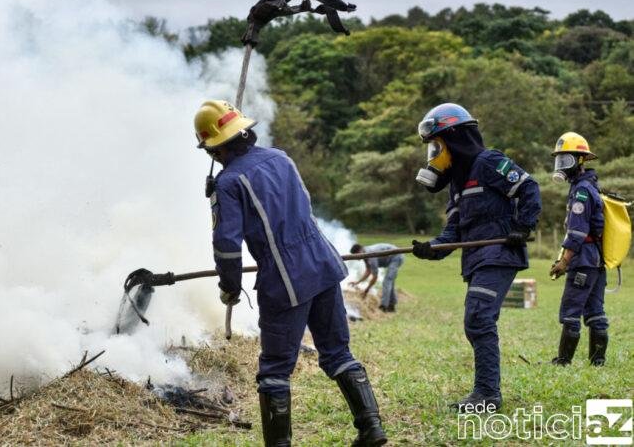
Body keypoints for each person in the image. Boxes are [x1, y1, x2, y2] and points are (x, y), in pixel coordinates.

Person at [195, 100, 388, 446]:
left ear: (215, 148)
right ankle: (371, 427)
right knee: (338, 353)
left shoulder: (229, 181)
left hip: (284, 278)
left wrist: (230, 287)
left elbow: (226, 244)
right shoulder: (281, 158)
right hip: (323, 264)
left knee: (274, 370)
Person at [410, 103, 541, 411]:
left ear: (455, 138)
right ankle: (486, 392)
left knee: (479, 318)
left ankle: (487, 395)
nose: (433, 154)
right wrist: (430, 249)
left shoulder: (489, 162)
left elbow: (529, 188)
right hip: (476, 258)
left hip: (499, 253)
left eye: (437, 146)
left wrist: (522, 226)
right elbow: (453, 232)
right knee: (477, 320)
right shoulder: (456, 182)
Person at [548, 132, 608, 367]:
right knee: (595, 311)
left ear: (580, 161)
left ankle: (563, 361)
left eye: (566, 160)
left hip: (583, 259)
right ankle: (598, 362)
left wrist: (564, 262)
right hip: (596, 260)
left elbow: (576, 232)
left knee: (571, 311)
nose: (562, 166)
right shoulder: (590, 186)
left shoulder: (582, 191)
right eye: (559, 160)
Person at [349, 243, 404, 312]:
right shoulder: (365, 254)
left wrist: (366, 290)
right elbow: (368, 271)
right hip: (394, 256)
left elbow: (375, 277)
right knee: (390, 282)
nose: (356, 259)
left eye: (356, 256)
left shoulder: (370, 256)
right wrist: (357, 282)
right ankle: (391, 305)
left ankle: (383, 306)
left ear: (359, 251)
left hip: (396, 257)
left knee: (387, 282)